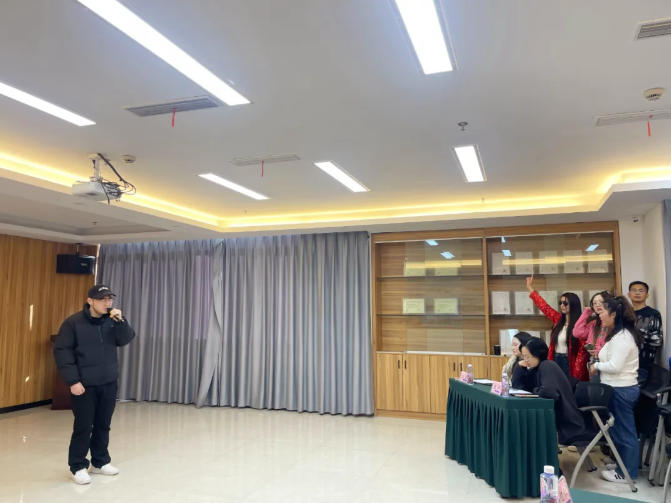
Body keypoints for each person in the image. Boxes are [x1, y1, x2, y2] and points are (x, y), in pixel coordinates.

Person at [53, 284, 136, 485]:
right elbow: (62, 352)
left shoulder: (113, 321)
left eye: (109, 299)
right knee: (83, 426)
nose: (107, 303)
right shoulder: (73, 323)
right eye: (102, 299)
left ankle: (100, 461)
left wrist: (121, 321)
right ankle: (78, 466)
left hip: (108, 383)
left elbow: (126, 339)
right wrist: (72, 381)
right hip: (84, 385)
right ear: (90, 301)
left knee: (103, 424)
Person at [588, 296, 641, 484]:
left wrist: (597, 366)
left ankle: (628, 473)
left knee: (625, 432)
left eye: (603, 311)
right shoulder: (617, 335)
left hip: (622, 390)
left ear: (613, 315)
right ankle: (621, 465)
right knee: (618, 431)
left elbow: (616, 366)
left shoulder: (623, 337)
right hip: (615, 388)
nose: (600, 315)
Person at [519, 338, 585, 445]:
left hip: (567, 425)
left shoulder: (547, 365)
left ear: (538, 354)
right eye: (523, 356)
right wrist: (519, 368)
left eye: (528, 356)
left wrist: (535, 390)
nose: (525, 360)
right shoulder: (536, 369)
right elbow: (520, 386)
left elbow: (549, 393)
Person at [525, 276, 588, 381]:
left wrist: (577, 374)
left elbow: (582, 353)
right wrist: (530, 288)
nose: (562, 305)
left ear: (573, 305)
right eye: (561, 303)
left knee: (569, 387)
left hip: (570, 363)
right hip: (555, 359)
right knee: (555, 385)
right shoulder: (558, 319)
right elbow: (544, 307)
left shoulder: (580, 325)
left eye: (565, 303)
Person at [627, 281, 663, 384]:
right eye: (634, 290)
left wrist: (636, 334)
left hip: (642, 364)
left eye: (641, 290)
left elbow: (657, 341)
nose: (637, 293)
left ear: (647, 295)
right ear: (629, 294)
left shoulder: (653, 314)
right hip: (624, 363)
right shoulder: (625, 314)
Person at [573, 291, 613, 382]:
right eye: (594, 303)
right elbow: (577, 332)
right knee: (595, 389)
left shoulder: (613, 323)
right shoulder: (594, 324)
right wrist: (586, 312)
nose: (597, 305)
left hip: (609, 363)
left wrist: (598, 351)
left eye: (601, 302)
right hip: (594, 362)